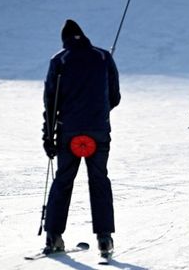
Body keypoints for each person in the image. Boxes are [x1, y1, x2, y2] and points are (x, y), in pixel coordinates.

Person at [42, 19, 120, 257]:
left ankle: (54, 236)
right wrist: (98, 111)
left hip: (68, 132)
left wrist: (48, 137)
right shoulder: (104, 57)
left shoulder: (59, 60)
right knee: (99, 180)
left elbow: (50, 102)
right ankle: (105, 238)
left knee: (63, 181)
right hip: (98, 131)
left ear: (65, 39)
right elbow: (115, 97)